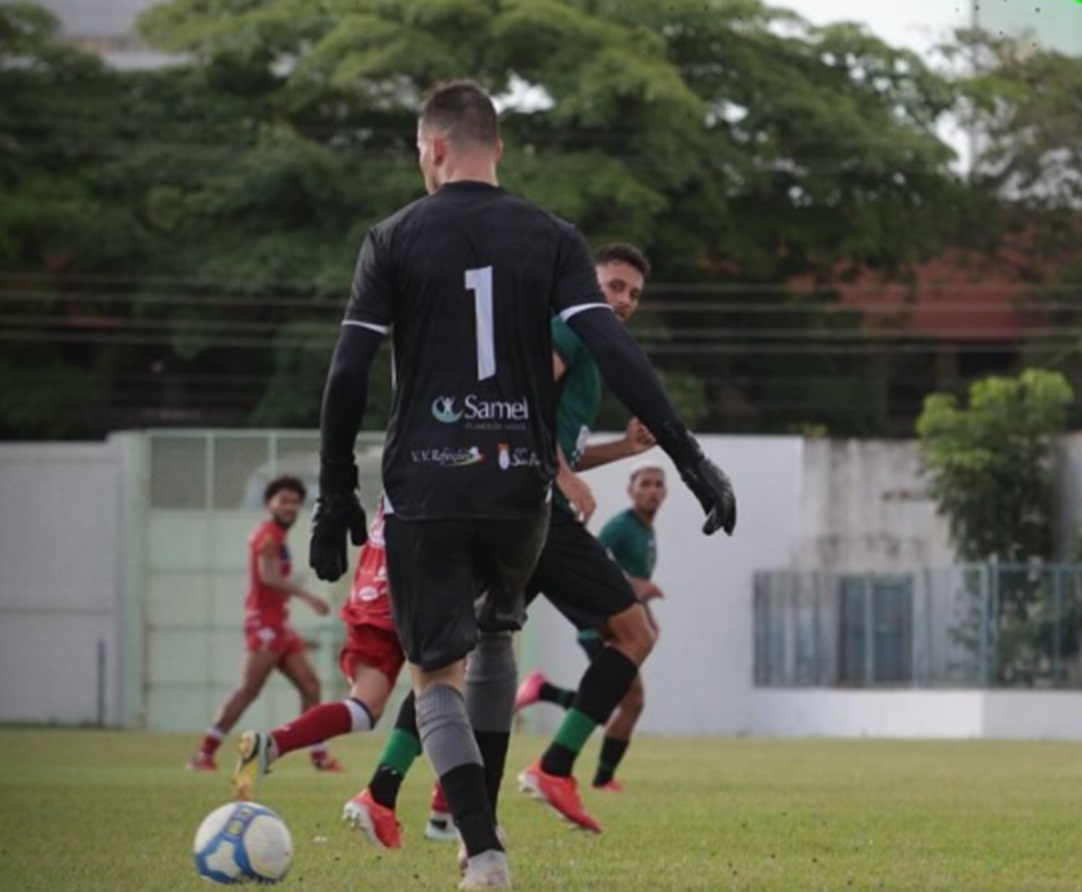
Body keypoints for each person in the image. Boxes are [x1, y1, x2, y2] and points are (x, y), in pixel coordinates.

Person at [288, 80, 735, 889]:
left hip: (427, 487)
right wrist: (689, 455)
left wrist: (334, 496)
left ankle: (483, 848)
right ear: (498, 147)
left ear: (431, 147)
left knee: (436, 680)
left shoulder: (391, 237)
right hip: (520, 490)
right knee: (496, 639)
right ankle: (475, 835)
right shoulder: (556, 238)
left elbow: (348, 369)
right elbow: (618, 351)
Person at [517, 461, 668, 793]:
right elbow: (594, 564)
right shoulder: (621, 527)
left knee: (617, 701)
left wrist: (648, 617)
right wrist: (637, 585)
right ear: (631, 491)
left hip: (623, 623)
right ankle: (595, 776)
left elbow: (630, 586)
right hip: (601, 624)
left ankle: (545, 694)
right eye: (645, 484)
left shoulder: (646, 530)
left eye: (659, 484)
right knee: (628, 700)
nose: (653, 491)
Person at [186, 475, 341, 774]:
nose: (289, 507)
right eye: (283, 500)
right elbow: (268, 577)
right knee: (247, 691)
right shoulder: (267, 535)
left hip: (280, 626)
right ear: (269, 503)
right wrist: (308, 597)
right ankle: (203, 755)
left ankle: (319, 756)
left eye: (295, 502)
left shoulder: (278, 537)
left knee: (311, 686)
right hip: (264, 626)